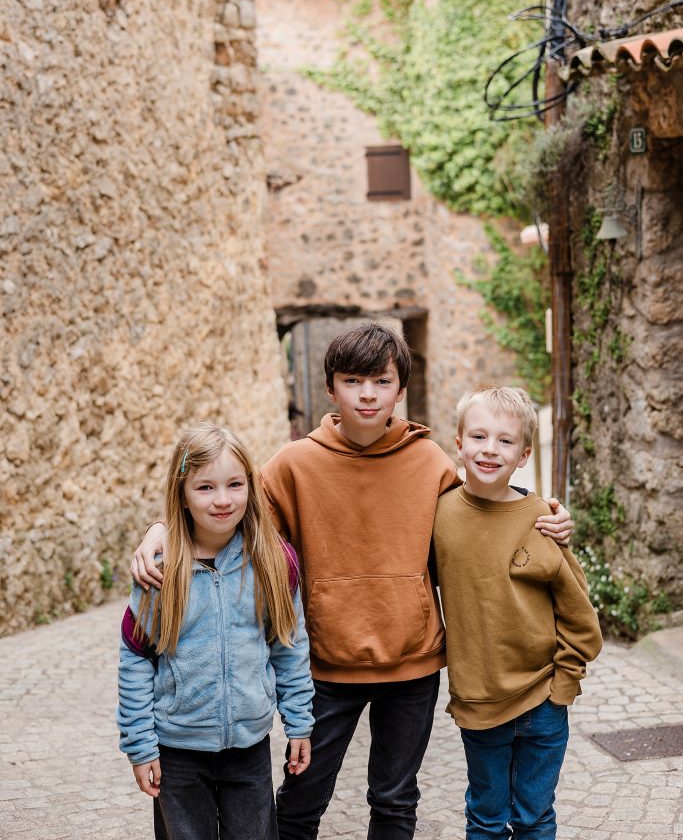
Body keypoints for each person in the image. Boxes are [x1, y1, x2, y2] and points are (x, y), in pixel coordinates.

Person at [131, 324, 574, 840]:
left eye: (381, 381)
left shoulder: (429, 461)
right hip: (326, 668)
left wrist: (542, 513)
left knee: (394, 801)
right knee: (301, 800)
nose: (367, 393)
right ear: (331, 387)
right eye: (353, 380)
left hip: (412, 667)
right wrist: (161, 527)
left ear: (400, 391)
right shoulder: (295, 464)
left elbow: (481, 507)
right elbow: (226, 509)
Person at [117, 424, 315, 840]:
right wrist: (140, 746)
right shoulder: (160, 569)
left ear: (250, 486)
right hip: (177, 753)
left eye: (234, 484)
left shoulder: (274, 562)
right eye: (205, 487)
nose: (222, 500)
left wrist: (298, 722)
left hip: (249, 749)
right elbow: (135, 658)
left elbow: (289, 646)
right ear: (182, 495)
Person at [432, 386, 602, 840]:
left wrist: (563, 685)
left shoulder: (541, 519)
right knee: (485, 819)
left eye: (505, 441)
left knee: (535, 818)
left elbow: (579, 615)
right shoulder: (439, 516)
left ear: (524, 454)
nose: (490, 449)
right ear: (459, 444)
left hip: (543, 702)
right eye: (479, 437)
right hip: (479, 702)